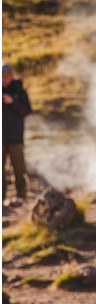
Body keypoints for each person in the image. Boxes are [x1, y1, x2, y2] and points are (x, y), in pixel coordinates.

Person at [3, 63, 30, 201]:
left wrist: (13, 101)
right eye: (1, 76)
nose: (4, 79)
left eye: (6, 76)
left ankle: (22, 196)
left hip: (15, 137)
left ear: (12, 76)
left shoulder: (19, 91)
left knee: (19, 168)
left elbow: (27, 110)